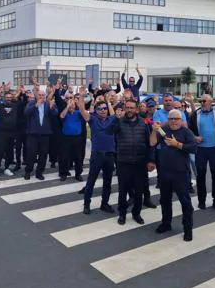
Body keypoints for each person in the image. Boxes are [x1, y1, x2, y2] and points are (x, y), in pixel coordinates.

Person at [150, 110, 197, 241]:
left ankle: (188, 229)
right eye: (171, 119)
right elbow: (152, 143)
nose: (174, 121)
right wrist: (154, 130)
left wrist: (177, 145)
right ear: (168, 119)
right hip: (164, 172)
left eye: (177, 119)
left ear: (181, 120)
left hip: (181, 173)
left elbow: (194, 147)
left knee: (185, 202)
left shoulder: (186, 132)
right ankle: (166, 223)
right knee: (165, 200)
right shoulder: (163, 130)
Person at [106, 98, 155, 226]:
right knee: (123, 190)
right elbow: (109, 131)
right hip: (123, 161)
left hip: (140, 162)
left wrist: (150, 160)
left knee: (139, 191)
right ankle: (122, 213)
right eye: (127, 107)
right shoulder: (119, 122)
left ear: (136, 109)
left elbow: (149, 143)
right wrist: (116, 119)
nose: (129, 110)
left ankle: (136, 213)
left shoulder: (144, 124)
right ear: (124, 108)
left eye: (132, 108)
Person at [79, 89, 117, 215]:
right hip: (97, 155)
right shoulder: (93, 119)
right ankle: (86, 204)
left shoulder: (111, 120)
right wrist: (81, 95)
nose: (103, 110)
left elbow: (112, 111)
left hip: (110, 155)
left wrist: (107, 100)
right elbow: (82, 110)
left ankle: (104, 203)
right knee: (91, 181)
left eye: (105, 108)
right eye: (100, 109)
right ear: (96, 111)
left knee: (108, 181)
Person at [0, 85, 26, 176]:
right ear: (4, 98)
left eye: (10, 97)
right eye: (7, 97)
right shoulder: (0, 105)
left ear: (12, 98)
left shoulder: (16, 105)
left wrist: (22, 92)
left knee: (9, 152)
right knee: (0, 150)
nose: (8, 99)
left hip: (12, 132)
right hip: (2, 132)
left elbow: (23, 101)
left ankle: (6, 168)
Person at [24, 89, 58, 180]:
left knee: (43, 154)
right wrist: (36, 105)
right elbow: (26, 112)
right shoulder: (31, 103)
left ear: (45, 96)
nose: (41, 97)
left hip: (45, 134)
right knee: (31, 153)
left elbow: (55, 113)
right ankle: (28, 171)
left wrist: (52, 107)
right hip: (33, 133)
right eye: (39, 95)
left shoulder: (48, 104)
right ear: (36, 96)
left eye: (43, 95)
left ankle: (39, 172)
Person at [58, 92, 85, 181]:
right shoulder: (65, 112)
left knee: (78, 157)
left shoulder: (78, 113)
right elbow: (61, 116)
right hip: (66, 138)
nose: (71, 106)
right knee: (65, 156)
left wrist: (78, 102)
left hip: (77, 138)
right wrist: (67, 106)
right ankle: (63, 173)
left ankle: (78, 174)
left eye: (72, 104)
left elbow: (84, 113)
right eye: (70, 104)